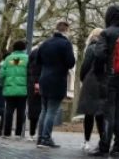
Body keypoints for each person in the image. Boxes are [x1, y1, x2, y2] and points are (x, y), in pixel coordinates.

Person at [90, 5, 119, 157]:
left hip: (108, 78)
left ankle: (104, 145)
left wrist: (99, 73)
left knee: (108, 114)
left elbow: (99, 55)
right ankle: (117, 147)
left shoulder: (106, 33)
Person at [35, 21, 76, 149]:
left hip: (44, 79)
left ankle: (40, 137)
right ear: (66, 31)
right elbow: (71, 63)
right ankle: (46, 138)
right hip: (57, 80)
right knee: (51, 111)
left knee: (44, 110)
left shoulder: (45, 43)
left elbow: (38, 61)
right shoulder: (65, 44)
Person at [77, 28, 106, 153]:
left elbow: (85, 66)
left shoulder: (91, 48)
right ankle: (103, 141)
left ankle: (87, 141)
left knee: (89, 113)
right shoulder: (107, 48)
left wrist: (83, 78)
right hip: (103, 82)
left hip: (91, 81)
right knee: (100, 114)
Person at [0, 40, 29, 138]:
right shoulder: (27, 58)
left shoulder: (8, 59)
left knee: (8, 111)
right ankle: (18, 133)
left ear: (14, 48)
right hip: (23, 90)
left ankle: (7, 133)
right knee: (21, 112)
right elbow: (30, 73)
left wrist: (3, 84)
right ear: (24, 48)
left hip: (9, 89)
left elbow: (2, 74)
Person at [27, 46, 42, 141]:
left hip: (31, 86)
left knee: (32, 110)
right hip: (41, 85)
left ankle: (31, 133)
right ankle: (39, 133)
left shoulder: (30, 65)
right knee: (42, 110)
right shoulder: (42, 64)